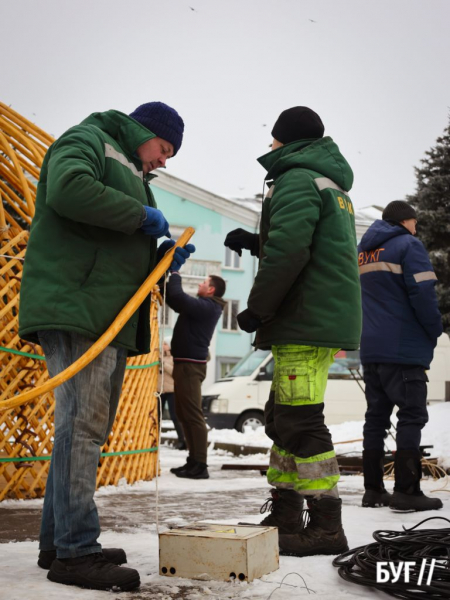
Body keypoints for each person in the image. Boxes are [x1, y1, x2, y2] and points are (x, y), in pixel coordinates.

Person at [18, 101, 194, 591]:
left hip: (102, 312)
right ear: (143, 132)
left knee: (78, 430)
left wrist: (162, 257)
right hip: (78, 308)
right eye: (164, 149)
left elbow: (112, 238)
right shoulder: (87, 140)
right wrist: (141, 216)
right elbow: (70, 190)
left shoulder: (131, 170)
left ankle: (58, 542)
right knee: (83, 431)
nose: (164, 161)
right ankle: (77, 552)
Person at [225, 107, 361, 557]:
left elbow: (290, 251)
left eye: (273, 140)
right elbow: (308, 243)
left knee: (301, 423)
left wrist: (258, 309)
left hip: (303, 319)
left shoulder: (298, 178)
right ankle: (285, 514)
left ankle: (326, 524)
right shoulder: (330, 184)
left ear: (287, 141)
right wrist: (255, 241)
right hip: (317, 317)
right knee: (283, 419)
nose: (269, 148)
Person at [358, 200, 443, 511]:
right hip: (404, 349)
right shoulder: (409, 245)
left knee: (376, 419)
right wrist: (435, 329)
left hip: (371, 348)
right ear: (405, 221)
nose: (417, 227)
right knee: (411, 415)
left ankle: (373, 490)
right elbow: (423, 295)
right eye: (414, 221)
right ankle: (407, 491)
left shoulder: (363, 251)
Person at [164, 273, 226, 479]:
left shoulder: (208, 307)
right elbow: (174, 299)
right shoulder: (201, 306)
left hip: (191, 367)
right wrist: (162, 280)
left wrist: (175, 274)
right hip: (184, 364)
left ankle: (200, 465)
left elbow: (179, 296)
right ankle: (193, 461)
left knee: (193, 415)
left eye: (204, 283)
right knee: (183, 415)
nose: (200, 284)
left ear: (211, 290)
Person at [157, 340, 186, 449]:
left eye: (165, 344)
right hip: (159, 390)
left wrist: (164, 365)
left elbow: (175, 372)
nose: (163, 346)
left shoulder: (174, 358)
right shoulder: (157, 357)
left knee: (175, 416)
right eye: (162, 344)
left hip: (171, 390)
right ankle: (155, 440)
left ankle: (182, 440)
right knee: (157, 416)